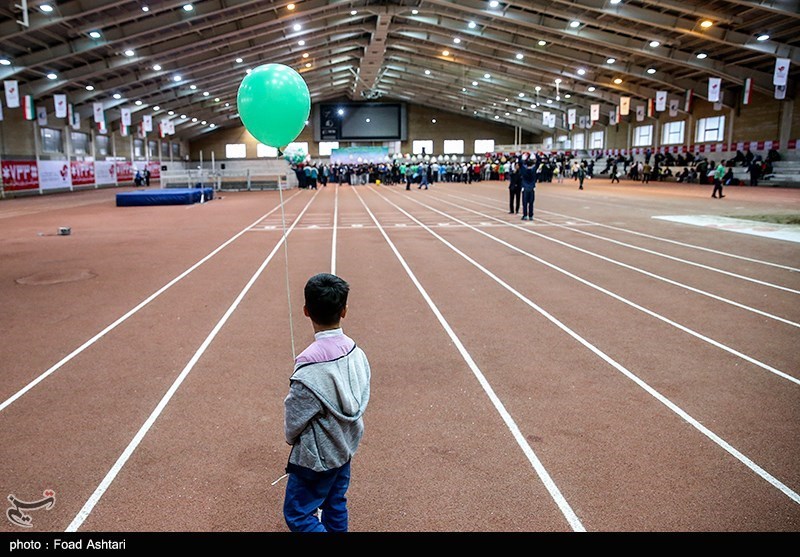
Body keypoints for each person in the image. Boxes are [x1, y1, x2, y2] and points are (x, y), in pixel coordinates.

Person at [283, 273, 371, 533]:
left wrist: (290, 437)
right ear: (344, 310)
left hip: (316, 458)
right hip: (345, 446)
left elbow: (294, 419)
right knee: (335, 503)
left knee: (298, 515)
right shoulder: (357, 353)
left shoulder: (308, 368)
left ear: (306, 311)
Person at [520, 156, 537, 221]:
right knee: (531, 203)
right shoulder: (534, 170)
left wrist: (521, 156)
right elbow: (538, 163)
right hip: (532, 188)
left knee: (525, 203)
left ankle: (525, 215)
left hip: (525, 188)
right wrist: (536, 155)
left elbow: (520, 163)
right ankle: (531, 215)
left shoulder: (524, 170)